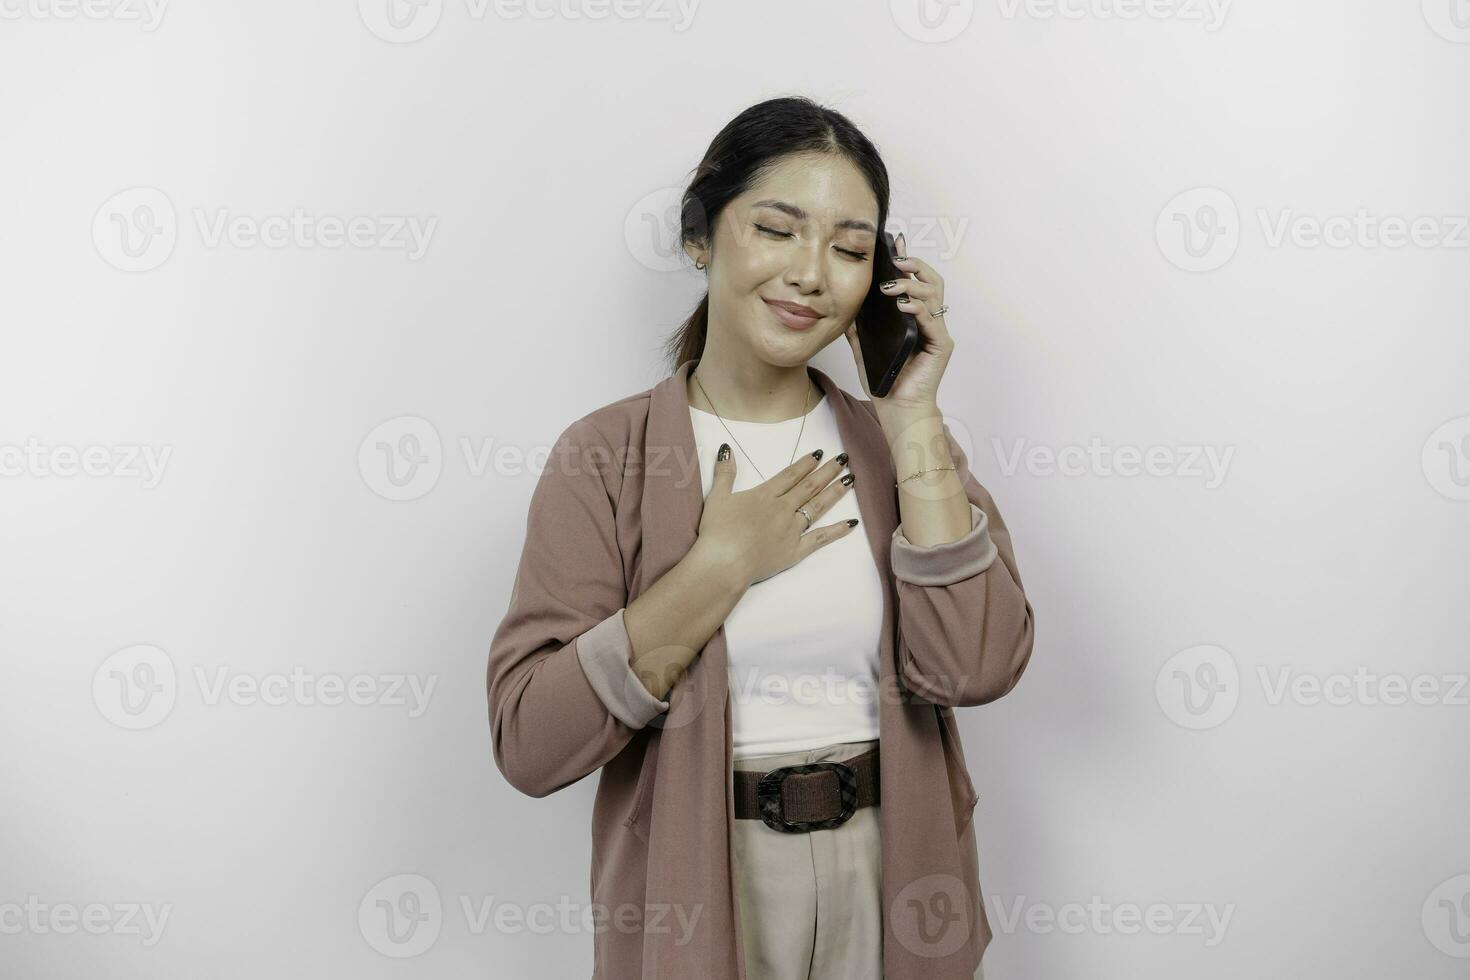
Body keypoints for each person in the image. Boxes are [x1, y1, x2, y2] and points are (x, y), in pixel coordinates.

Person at [487, 95, 1034, 980]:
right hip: (704, 877)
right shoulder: (605, 457)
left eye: (851, 249)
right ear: (701, 237)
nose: (813, 274)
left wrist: (915, 418)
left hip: (891, 872)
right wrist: (720, 565)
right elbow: (530, 742)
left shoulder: (901, 448)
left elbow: (977, 668)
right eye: (778, 229)